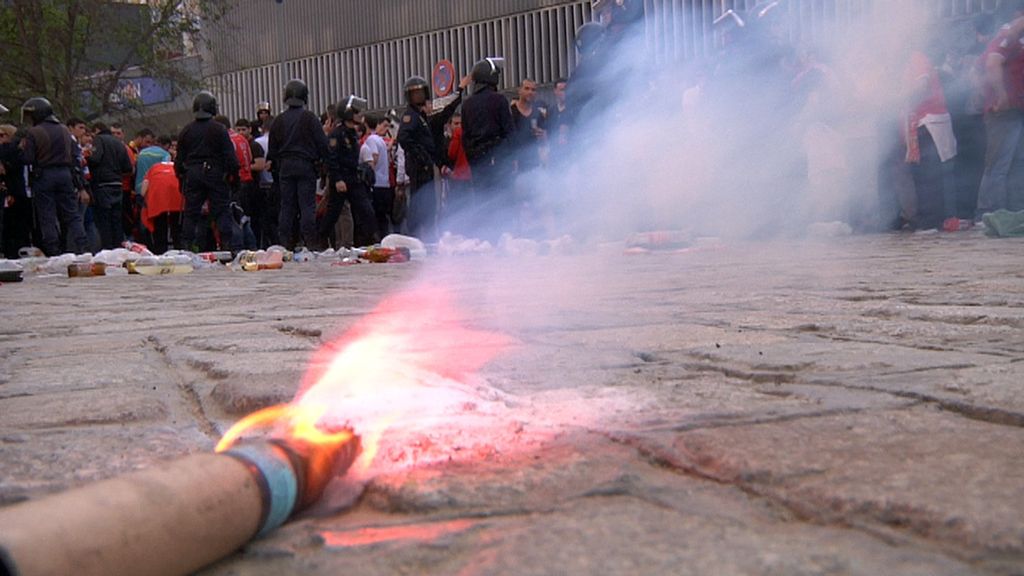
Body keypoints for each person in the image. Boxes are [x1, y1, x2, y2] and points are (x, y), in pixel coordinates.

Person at [397, 73, 469, 242]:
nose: (419, 97)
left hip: (427, 166)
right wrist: (422, 157)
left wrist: (459, 92)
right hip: (420, 167)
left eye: (421, 93)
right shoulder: (411, 116)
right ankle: (417, 237)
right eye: (414, 94)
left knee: (429, 203)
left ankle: (427, 236)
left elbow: (446, 112)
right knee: (419, 202)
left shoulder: (423, 118)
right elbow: (403, 138)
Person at [17, 97, 88, 255]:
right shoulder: (64, 130)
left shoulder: (34, 132)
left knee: (47, 215)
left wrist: (21, 149)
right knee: (72, 214)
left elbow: (27, 159)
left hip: (44, 175)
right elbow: (75, 157)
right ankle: (82, 247)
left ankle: (53, 250)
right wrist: (80, 185)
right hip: (65, 175)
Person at [266, 79, 329, 250]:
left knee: (287, 206)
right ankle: (310, 241)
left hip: (285, 167)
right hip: (306, 166)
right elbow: (323, 145)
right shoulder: (310, 118)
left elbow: (272, 151)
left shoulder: (278, 120)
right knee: (307, 205)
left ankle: (285, 242)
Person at [174, 91, 240, 252]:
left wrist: (182, 177)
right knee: (222, 210)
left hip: (193, 174)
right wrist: (233, 176)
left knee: (191, 212)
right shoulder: (219, 130)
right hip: (215, 173)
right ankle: (226, 245)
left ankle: (187, 245)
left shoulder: (186, 131)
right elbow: (230, 157)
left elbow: (179, 159)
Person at [976, 9, 1024, 217]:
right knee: (999, 165)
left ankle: (1014, 213)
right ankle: (988, 213)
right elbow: (992, 64)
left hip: (1016, 110)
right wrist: (1001, 95)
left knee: (1016, 163)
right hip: (1004, 110)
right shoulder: (1007, 34)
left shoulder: (1017, 40)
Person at [461, 57, 514, 237]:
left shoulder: (467, 104)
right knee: (501, 201)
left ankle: (484, 236)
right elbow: (510, 133)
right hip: (498, 160)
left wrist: (473, 159)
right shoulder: (499, 100)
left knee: (482, 201)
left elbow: (465, 136)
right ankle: (502, 236)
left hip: (477, 161)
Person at [320, 95, 377, 247]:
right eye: (357, 112)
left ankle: (371, 241)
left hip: (353, 178)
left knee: (366, 211)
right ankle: (318, 241)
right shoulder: (336, 134)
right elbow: (331, 158)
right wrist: (337, 179)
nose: (360, 115)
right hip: (341, 179)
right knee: (333, 214)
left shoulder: (353, 133)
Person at [87, 122, 134, 249]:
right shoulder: (119, 144)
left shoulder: (99, 140)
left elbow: (95, 159)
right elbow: (128, 167)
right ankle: (118, 249)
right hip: (118, 185)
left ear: (97, 130)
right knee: (116, 221)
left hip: (102, 185)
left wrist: (87, 158)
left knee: (104, 221)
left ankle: (107, 250)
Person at [138, 161, 183, 254]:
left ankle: (161, 251)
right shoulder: (178, 166)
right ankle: (179, 249)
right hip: (178, 197)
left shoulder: (153, 168)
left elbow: (143, 190)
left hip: (158, 198)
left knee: (159, 225)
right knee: (177, 225)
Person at [362, 114, 394, 237]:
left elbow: (374, 157)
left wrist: (369, 173)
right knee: (383, 217)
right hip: (384, 182)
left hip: (376, 183)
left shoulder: (371, 140)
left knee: (376, 216)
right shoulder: (380, 140)